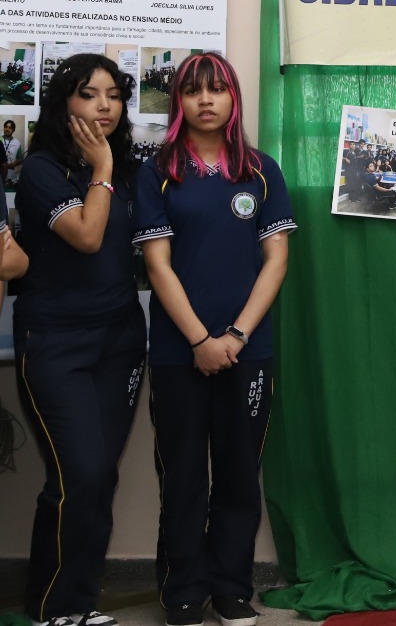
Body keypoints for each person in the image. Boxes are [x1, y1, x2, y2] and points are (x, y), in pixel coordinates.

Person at [134, 51, 296, 626]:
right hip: (178, 353)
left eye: (217, 88)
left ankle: (231, 588)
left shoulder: (261, 170)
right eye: (193, 90)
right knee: (182, 477)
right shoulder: (157, 172)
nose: (206, 100)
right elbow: (157, 266)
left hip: (248, 352)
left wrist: (235, 336)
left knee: (237, 474)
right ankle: (183, 590)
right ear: (178, 101)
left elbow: (276, 261)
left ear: (233, 97)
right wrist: (201, 340)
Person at [16, 56, 151, 626]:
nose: (104, 106)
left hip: (120, 340)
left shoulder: (132, 170)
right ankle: (53, 607)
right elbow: (88, 236)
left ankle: (81, 602)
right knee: (79, 475)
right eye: (89, 94)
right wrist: (102, 166)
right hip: (56, 342)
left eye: (114, 95)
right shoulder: (42, 170)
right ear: (63, 103)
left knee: (101, 476)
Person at [2, 117, 22, 185]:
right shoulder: (0, 140)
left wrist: (11, 165)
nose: (7, 129)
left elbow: (20, 159)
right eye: (6, 127)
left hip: (11, 175)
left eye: (10, 128)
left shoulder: (17, 142)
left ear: (13, 130)